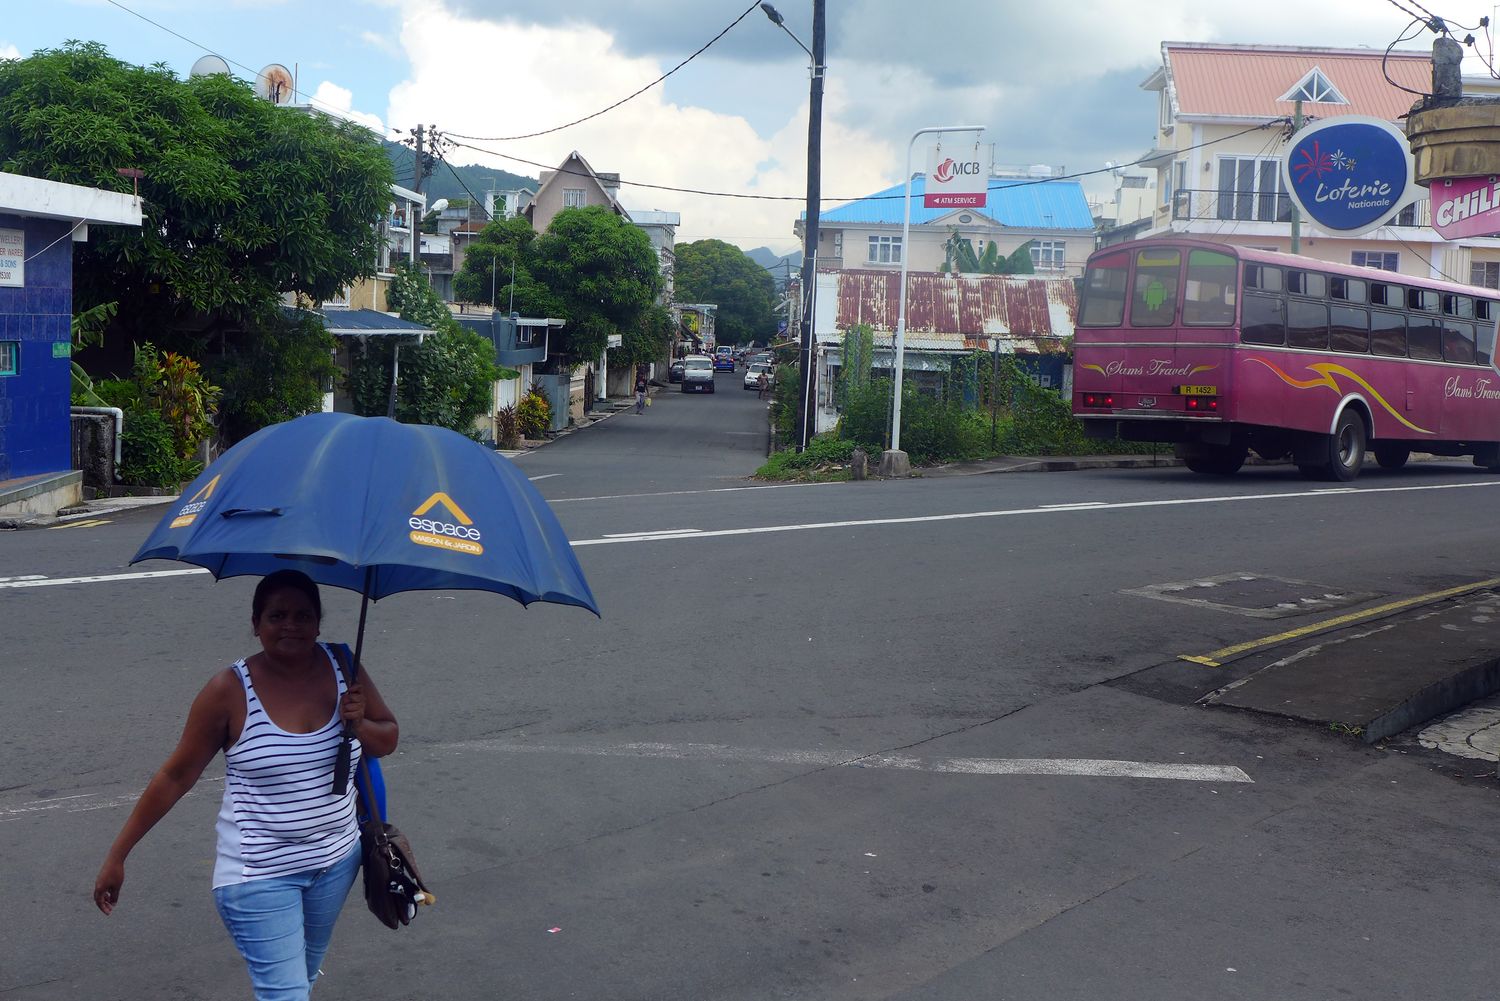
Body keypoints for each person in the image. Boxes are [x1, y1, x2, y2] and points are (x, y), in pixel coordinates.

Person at [94, 569, 399, 1001]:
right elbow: (175, 775)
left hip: (336, 860)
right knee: (287, 995)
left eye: (302, 615)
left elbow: (387, 738)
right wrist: (118, 854)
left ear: (318, 623)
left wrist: (358, 722)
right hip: (259, 873)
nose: (290, 625)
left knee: (301, 981)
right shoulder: (228, 690)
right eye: (276, 616)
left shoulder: (343, 666)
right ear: (256, 625)